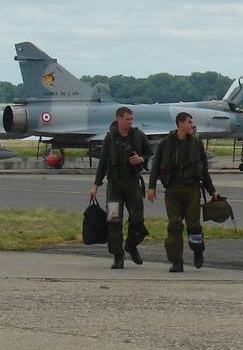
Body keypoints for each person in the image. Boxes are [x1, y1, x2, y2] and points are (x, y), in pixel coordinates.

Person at [147, 112, 219, 273]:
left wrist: (212, 191)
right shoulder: (165, 143)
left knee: (193, 226)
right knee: (174, 225)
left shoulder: (196, 144)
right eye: (189, 122)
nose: (191, 125)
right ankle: (176, 261)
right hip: (172, 189)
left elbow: (204, 171)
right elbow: (156, 166)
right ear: (179, 124)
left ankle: (198, 249)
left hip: (192, 189)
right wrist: (151, 187)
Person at [89, 107, 152, 269]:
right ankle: (118, 256)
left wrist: (141, 159)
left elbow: (150, 153)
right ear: (118, 119)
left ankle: (131, 245)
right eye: (127, 119)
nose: (130, 122)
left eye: (131, 119)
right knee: (114, 220)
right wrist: (96, 184)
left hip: (132, 184)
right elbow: (103, 163)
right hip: (114, 186)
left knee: (138, 219)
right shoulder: (109, 139)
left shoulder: (138, 136)